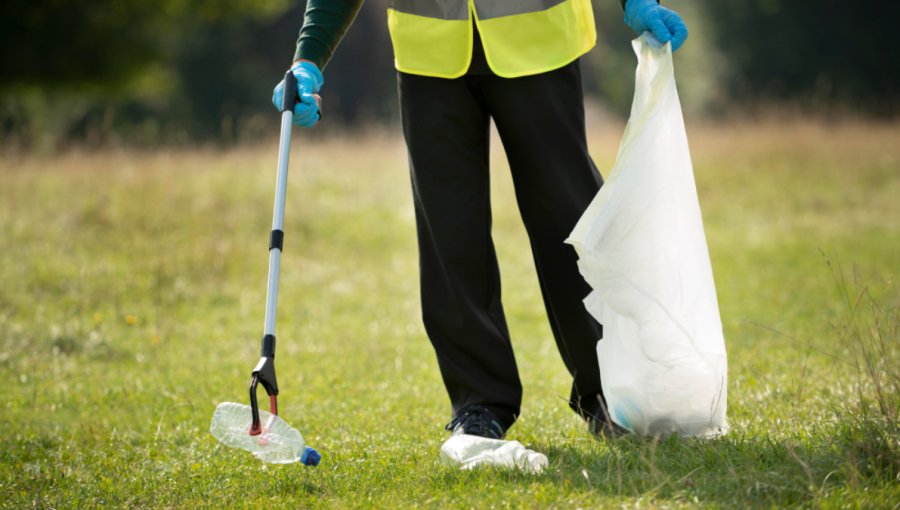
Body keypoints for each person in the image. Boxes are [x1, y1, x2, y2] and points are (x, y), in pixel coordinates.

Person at [273, 0, 688, 440]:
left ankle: (611, 391)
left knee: (571, 220)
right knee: (450, 233)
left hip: (538, 40)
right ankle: (479, 405)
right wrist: (308, 57)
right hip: (427, 52)